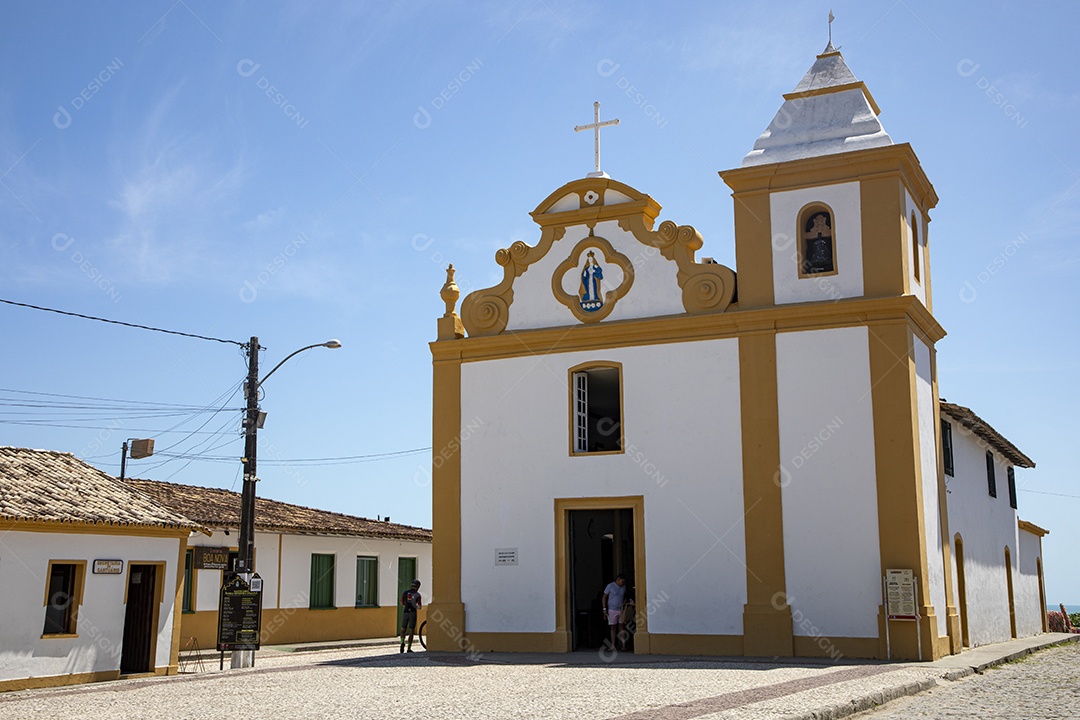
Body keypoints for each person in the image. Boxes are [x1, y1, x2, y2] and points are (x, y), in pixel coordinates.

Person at [602, 574, 627, 651]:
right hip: (612, 609)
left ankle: (623, 645)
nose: (623, 583)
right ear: (618, 580)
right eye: (622, 581)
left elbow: (624, 596)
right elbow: (604, 596)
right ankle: (613, 645)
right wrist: (604, 608)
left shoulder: (624, 587)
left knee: (621, 626)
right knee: (613, 627)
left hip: (621, 609)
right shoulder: (610, 586)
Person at [400, 579, 422, 653]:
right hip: (413, 613)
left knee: (403, 629)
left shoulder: (405, 593)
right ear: (418, 587)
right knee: (411, 630)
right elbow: (419, 606)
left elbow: (402, 603)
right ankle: (409, 648)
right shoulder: (418, 595)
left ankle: (402, 642)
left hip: (406, 612)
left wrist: (407, 604)